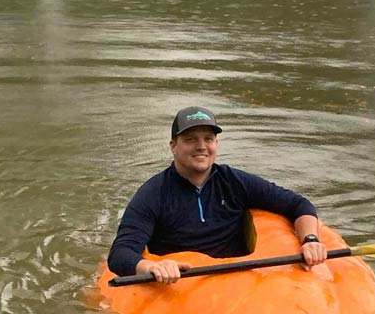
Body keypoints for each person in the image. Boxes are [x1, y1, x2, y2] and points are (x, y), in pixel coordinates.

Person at [108, 106, 328, 284]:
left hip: (237, 281)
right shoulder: (153, 194)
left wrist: (310, 240)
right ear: (173, 146)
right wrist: (153, 266)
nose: (201, 146)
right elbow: (120, 253)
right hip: (183, 285)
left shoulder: (234, 181)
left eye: (208, 138)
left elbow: (298, 204)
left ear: (216, 144)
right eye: (191, 139)